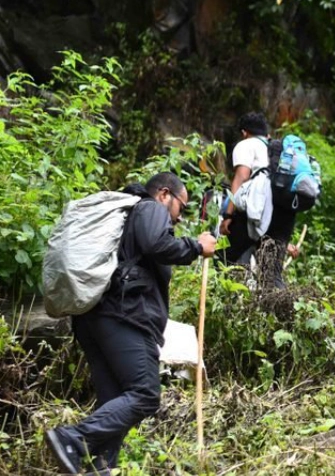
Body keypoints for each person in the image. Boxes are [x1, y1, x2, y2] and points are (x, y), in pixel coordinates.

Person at [45, 174, 217, 474]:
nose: (180, 217)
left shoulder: (130, 217)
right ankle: (72, 438)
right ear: (165, 194)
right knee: (145, 393)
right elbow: (157, 244)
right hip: (123, 317)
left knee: (114, 403)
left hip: (95, 319)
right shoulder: (149, 208)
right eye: (182, 207)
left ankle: (100, 468)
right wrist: (196, 247)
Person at [218, 113, 299, 284]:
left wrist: (228, 215)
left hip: (258, 207)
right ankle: (284, 309)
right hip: (285, 209)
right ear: (266, 133)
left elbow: (241, 177)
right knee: (272, 274)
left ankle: (230, 303)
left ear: (244, 132)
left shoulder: (246, 144)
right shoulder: (278, 151)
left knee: (224, 258)